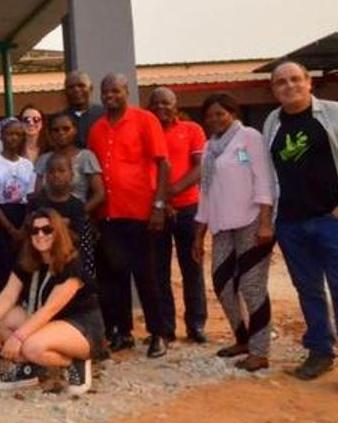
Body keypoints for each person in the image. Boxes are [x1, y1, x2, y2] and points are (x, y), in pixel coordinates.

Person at [263, 61, 338, 392]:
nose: (289, 86)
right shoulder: (273, 121)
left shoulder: (337, 114)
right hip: (292, 223)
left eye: (295, 79)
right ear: (273, 90)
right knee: (308, 290)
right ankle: (320, 351)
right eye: (281, 82)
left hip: (333, 222)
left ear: (308, 83)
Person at [88, 73, 170, 358]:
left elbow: (163, 165)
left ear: (126, 91)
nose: (110, 96)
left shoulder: (145, 120)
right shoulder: (97, 128)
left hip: (141, 213)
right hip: (108, 215)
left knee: (147, 276)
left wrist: (159, 205)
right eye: (105, 92)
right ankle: (123, 332)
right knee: (114, 278)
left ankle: (158, 333)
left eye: (115, 91)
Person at [193, 93, 275, 372]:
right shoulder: (210, 148)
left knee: (252, 287)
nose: (215, 119)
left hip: (251, 221)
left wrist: (265, 221)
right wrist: (199, 233)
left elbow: (262, 177)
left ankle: (260, 350)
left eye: (221, 113)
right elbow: (205, 192)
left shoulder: (247, 139)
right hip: (221, 226)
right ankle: (242, 338)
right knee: (223, 284)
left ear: (233, 112)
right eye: (210, 115)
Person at [0, 209, 102, 396]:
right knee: (3, 319)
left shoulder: (72, 264)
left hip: (79, 325)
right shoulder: (29, 260)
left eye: (47, 230)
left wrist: (18, 338)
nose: (40, 235)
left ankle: (75, 362)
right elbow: (9, 293)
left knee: (31, 347)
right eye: (34, 230)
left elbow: (49, 309)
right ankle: (28, 370)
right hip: (48, 323)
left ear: (58, 232)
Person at [148, 87, 209, 344]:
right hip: (156, 211)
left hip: (188, 209)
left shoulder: (192, 130)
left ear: (176, 105)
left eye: (166, 103)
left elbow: (201, 168)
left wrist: (171, 192)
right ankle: (166, 328)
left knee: (192, 268)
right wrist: (161, 201)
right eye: (156, 103)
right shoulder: (147, 133)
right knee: (158, 270)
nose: (161, 107)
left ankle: (196, 325)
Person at [0, 119, 36, 296]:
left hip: (24, 219)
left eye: (18, 134)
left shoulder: (27, 165)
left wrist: (23, 229)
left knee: (23, 267)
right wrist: (11, 230)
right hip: (1, 219)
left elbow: (31, 199)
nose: (13, 138)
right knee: (2, 271)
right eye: (9, 134)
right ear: (2, 137)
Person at [29, 154, 96, 280]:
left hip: (67, 260)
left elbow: (77, 237)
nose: (56, 175)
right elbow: (28, 230)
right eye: (51, 171)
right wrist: (62, 224)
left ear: (71, 175)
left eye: (61, 171)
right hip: (39, 260)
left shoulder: (77, 205)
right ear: (46, 176)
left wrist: (53, 225)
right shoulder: (36, 202)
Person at [34, 114, 105, 213]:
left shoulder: (86, 157)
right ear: (50, 133)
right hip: (48, 219)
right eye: (56, 130)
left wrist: (77, 215)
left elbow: (99, 194)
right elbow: (37, 194)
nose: (61, 133)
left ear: (75, 130)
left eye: (66, 129)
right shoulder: (43, 159)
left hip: (77, 219)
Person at [62, 70, 105, 149]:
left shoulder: (105, 115)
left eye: (81, 86)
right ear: (65, 92)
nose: (76, 90)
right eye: (71, 87)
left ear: (91, 88)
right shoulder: (59, 120)